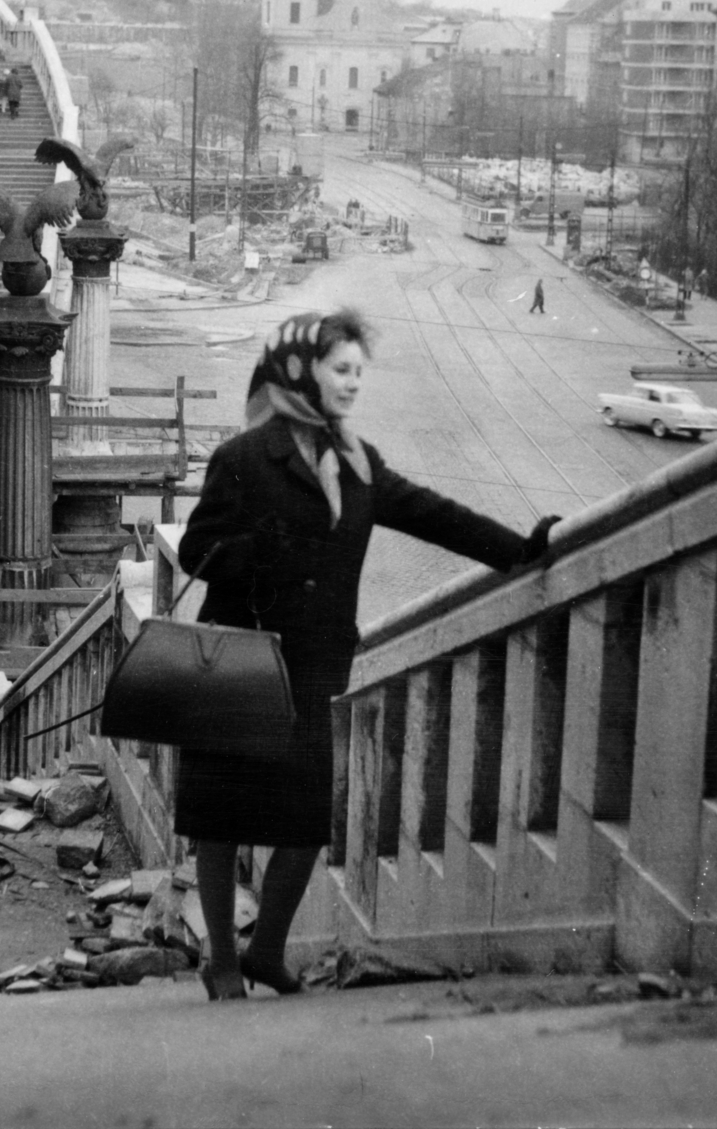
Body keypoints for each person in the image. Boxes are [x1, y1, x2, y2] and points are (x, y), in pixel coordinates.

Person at [175, 309, 559, 1001]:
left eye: (358, 371)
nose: (353, 384)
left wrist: (517, 550)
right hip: (242, 657)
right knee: (221, 819)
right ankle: (224, 964)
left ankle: (266, 951)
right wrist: (260, 552)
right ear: (299, 371)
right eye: (340, 369)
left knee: (305, 819)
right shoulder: (241, 457)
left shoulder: (357, 463)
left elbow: (433, 514)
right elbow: (198, 550)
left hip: (317, 664)